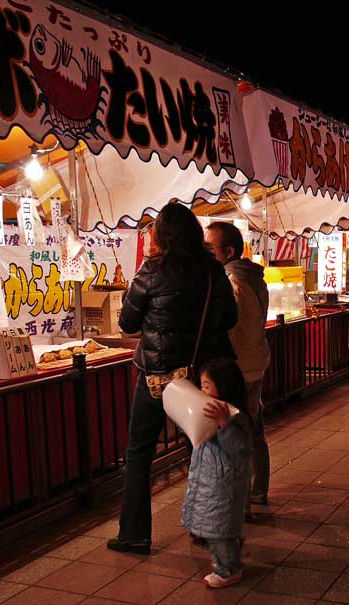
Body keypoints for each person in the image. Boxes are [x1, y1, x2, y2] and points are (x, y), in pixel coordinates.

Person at [107, 203, 238, 556]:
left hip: (156, 379)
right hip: (201, 378)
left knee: (139, 453)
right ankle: (207, 527)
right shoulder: (213, 271)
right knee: (206, 449)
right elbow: (230, 318)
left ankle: (134, 534)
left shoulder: (151, 271)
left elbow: (128, 324)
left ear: (161, 235)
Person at [204, 222, 271, 512]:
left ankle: (240, 503)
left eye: (210, 247)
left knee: (234, 434)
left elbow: (229, 329)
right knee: (254, 428)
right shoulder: (256, 278)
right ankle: (257, 491)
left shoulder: (231, 282)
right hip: (257, 361)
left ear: (228, 251)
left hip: (238, 368)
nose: (206, 251)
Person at [182, 358, 254, 589]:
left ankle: (229, 569)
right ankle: (223, 559)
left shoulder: (237, 417)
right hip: (208, 483)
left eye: (206, 386)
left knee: (220, 530)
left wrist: (225, 425)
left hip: (224, 487)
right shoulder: (208, 415)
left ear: (224, 387)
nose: (202, 391)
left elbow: (240, 448)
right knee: (215, 529)